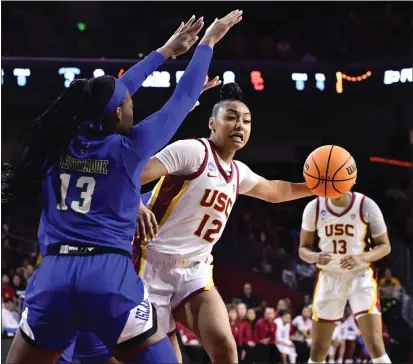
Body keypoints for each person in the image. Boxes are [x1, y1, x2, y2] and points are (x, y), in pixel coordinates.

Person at [2, 11, 242, 363]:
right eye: (129, 103)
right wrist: (207, 44)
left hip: (53, 275)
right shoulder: (130, 149)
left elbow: (108, 94)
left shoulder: (59, 138)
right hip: (107, 278)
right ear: (116, 114)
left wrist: (163, 52)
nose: (132, 103)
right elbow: (181, 97)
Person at [133, 80, 313, 362]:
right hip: (149, 264)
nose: (239, 125)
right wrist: (134, 204)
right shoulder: (192, 151)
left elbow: (277, 191)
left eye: (246, 121)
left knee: (225, 348)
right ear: (212, 123)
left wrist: (319, 186)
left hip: (195, 269)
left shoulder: (238, 171)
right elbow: (132, 173)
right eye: (230, 117)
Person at [299, 190, 392, 364]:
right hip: (329, 277)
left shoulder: (366, 204)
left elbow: (385, 246)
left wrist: (361, 258)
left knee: (375, 346)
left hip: (361, 276)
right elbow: (303, 249)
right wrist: (315, 257)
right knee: (318, 349)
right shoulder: (314, 207)